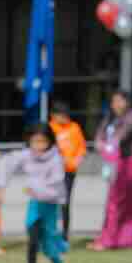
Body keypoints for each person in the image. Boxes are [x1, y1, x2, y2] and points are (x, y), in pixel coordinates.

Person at [15, 123, 69, 263]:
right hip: (35, 206)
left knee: (48, 247)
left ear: (50, 141)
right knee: (32, 243)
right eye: (34, 141)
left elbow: (57, 188)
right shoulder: (28, 157)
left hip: (50, 207)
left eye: (42, 142)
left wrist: (41, 191)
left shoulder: (56, 160)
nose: (38, 146)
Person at [91, 90, 132, 250]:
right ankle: (110, 237)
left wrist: (110, 144)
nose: (116, 105)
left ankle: (117, 239)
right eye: (114, 101)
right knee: (114, 200)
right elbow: (99, 135)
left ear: (128, 102)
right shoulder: (110, 118)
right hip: (113, 162)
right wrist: (101, 144)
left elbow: (123, 134)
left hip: (130, 161)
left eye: (120, 101)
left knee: (126, 201)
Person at [49, 101, 86, 238]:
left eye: (66, 115)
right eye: (61, 115)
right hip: (52, 172)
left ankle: (64, 236)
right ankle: (49, 234)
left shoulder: (74, 127)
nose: (65, 118)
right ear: (53, 115)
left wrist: (78, 159)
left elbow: (81, 147)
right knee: (50, 203)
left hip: (69, 172)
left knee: (65, 203)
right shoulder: (50, 128)